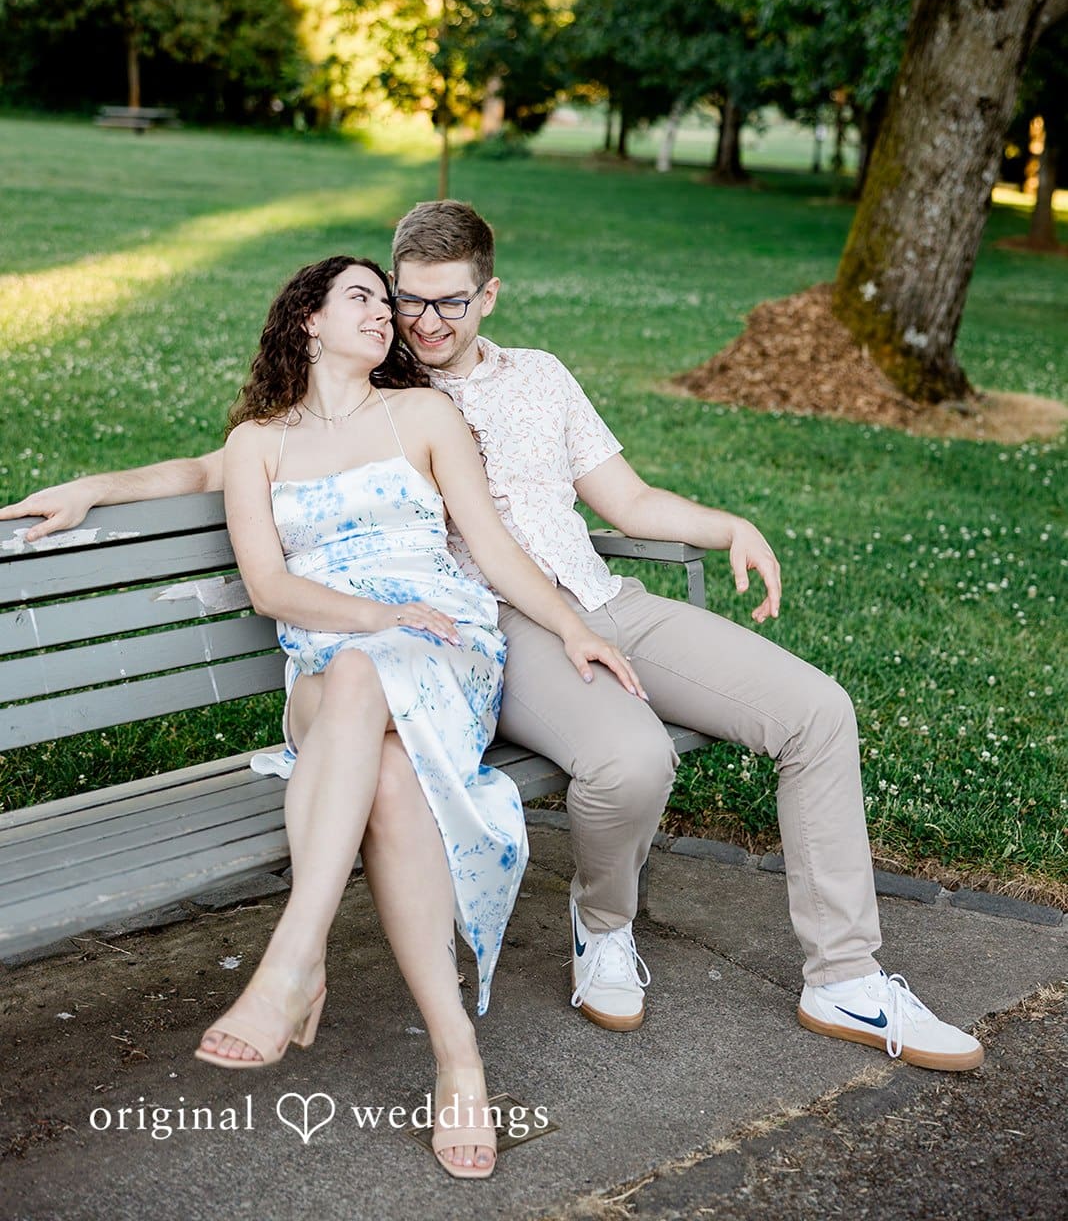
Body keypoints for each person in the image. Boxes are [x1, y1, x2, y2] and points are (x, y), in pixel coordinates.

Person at [4, 205, 984, 1074]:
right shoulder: (385, 395)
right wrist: (99, 486)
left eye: (448, 304)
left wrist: (726, 524)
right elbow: (226, 461)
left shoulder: (541, 380)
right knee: (630, 760)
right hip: (494, 627)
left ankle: (845, 975)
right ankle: (603, 927)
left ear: (488, 294)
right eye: (406, 301)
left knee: (818, 711)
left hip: (601, 595)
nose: (424, 323)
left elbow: (627, 499)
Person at [162, 254, 641, 1180]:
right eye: (362, 300)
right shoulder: (258, 442)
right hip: (331, 652)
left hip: (441, 643)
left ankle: (298, 965)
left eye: (389, 303)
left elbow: (493, 548)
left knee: (364, 692)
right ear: (306, 318)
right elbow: (268, 586)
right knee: (361, 716)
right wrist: (93, 489)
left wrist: (572, 629)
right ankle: (455, 1055)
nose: (386, 315)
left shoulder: (423, 415)